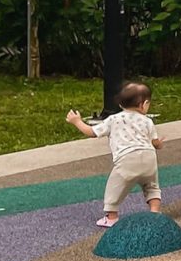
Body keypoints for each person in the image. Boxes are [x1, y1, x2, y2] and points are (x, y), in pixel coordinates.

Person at [67, 82, 163, 228]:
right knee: (151, 186)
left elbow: (92, 132)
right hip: (149, 157)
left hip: (127, 159)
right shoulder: (147, 121)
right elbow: (154, 142)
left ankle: (111, 216)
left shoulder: (113, 120)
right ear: (144, 104)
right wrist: (159, 144)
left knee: (114, 187)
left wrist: (77, 121)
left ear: (120, 104)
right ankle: (154, 211)